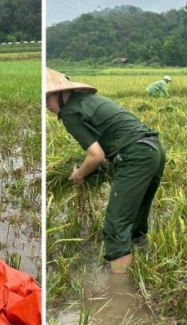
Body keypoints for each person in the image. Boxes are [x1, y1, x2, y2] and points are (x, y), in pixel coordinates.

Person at [46, 68, 166, 273]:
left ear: (59, 93)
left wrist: (79, 174)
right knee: (136, 219)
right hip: (154, 151)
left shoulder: (69, 113)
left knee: (115, 225)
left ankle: (119, 293)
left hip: (134, 156)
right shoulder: (88, 101)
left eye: (47, 98)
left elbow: (96, 156)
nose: (46, 105)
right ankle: (142, 268)